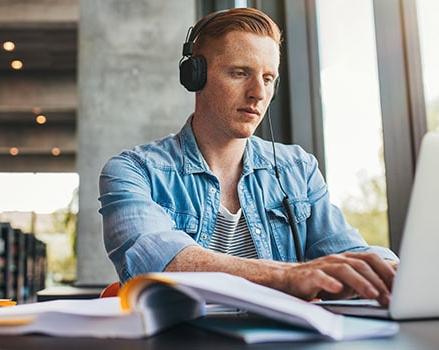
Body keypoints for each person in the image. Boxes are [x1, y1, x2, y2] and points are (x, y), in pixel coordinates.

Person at [98, 7, 398, 307]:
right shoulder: (132, 171)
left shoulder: (298, 169)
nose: (258, 93)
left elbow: (349, 253)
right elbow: (159, 264)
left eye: (268, 79)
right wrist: (290, 276)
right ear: (195, 77)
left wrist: (391, 271)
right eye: (240, 73)